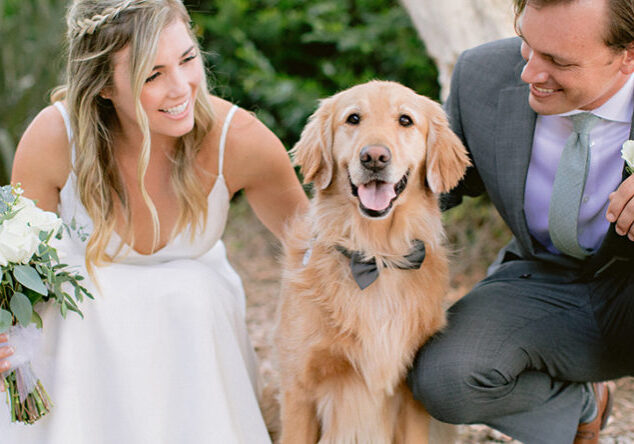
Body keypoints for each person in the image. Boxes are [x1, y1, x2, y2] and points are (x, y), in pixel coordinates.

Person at [0, 0, 307, 442]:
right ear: (104, 86)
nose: (182, 88)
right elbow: (17, 278)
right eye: (153, 74)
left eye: (187, 59)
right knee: (85, 297)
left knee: (192, 291)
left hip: (192, 326)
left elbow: (320, 250)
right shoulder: (53, 138)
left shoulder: (238, 139)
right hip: (83, 346)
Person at [407, 0, 634, 443]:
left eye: (559, 61)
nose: (529, 73)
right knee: (444, 379)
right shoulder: (482, 74)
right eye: (527, 46)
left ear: (628, 54)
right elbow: (430, 185)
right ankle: (582, 407)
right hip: (541, 276)